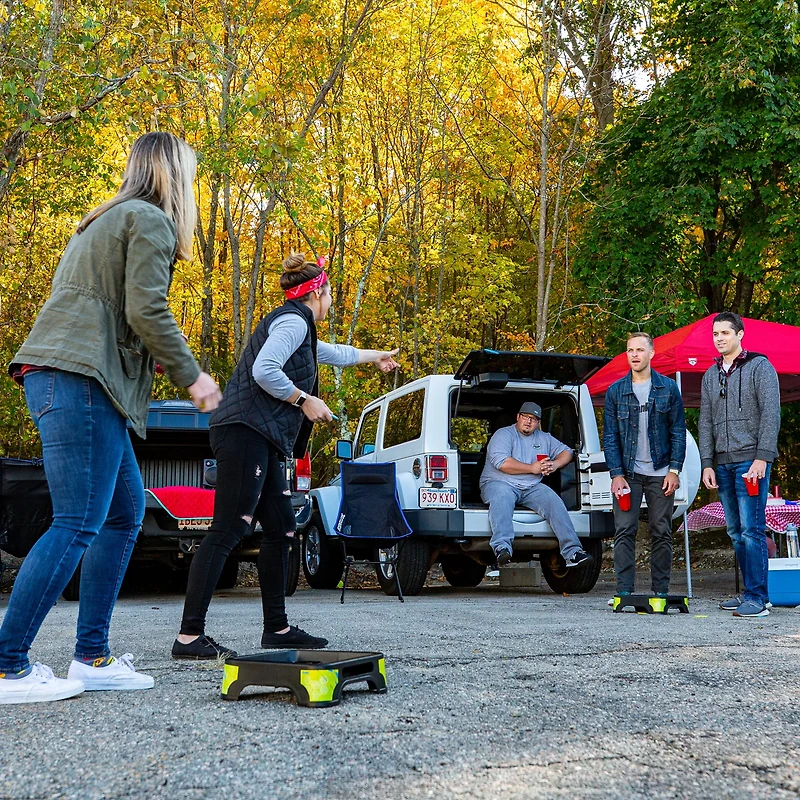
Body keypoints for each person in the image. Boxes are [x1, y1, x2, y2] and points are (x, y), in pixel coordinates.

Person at [0, 132, 222, 705]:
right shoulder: (149, 219)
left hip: (66, 377)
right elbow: (146, 308)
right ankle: (7, 664)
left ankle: (91, 656)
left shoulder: (106, 218)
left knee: (123, 514)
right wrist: (192, 375)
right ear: (175, 174)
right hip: (81, 380)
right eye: (191, 174)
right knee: (76, 520)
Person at [172, 251, 399, 659]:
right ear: (318, 294)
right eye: (330, 295)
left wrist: (373, 356)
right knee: (227, 530)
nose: (331, 303)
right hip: (244, 432)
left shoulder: (302, 328)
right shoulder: (293, 321)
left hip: (260, 436)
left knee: (281, 530)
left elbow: (332, 353)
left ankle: (276, 629)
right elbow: (264, 370)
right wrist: (303, 399)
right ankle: (189, 637)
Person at [700, 312, 780, 618]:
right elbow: (705, 421)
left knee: (752, 529)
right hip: (722, 463)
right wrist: (707, 462)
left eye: (725, 333)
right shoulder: (711, 375)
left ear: (740, 334)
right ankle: (752, 592)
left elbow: (771, 414)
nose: (719, 338)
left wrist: (763, 457)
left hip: (751, 461)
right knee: (734, 531)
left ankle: (757, 598)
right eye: (715, 334)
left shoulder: (760, 366)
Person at [603, 332, 686, 600]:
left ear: (651, 354)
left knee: (661, 530)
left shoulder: (668, 388)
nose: (635, 355)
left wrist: (675, 470)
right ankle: (624, 590)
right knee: (624, 529)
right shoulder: (616, 391)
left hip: (661, 471)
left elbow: (678, 431)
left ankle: (660, 590)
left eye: (640, 350)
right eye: (630, 350)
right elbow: (611, 437)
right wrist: (616, 474)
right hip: (628, 474)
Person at [480, 402, 593, 569]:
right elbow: (502, 463)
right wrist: (532, 468)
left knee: (554, 501)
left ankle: (573, 552)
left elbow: (567, 452)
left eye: (533, 419)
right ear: (518, 417)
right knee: (502, 498)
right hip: (499, 482)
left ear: (538, 422)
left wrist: (555, 464)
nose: (528, 421)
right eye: (525, 417)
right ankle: (502, 548)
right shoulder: (503, 434)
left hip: (531, 487)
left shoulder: (544, 438)